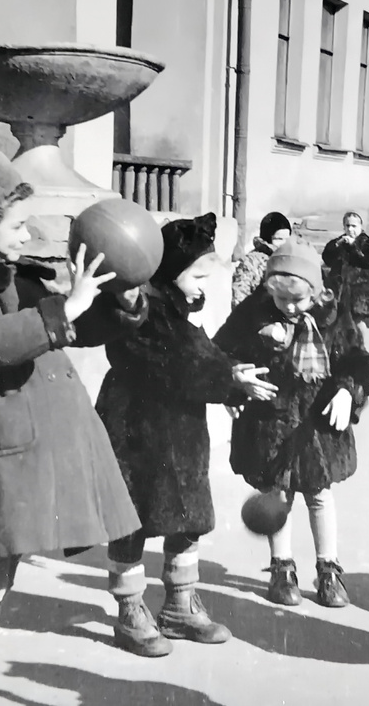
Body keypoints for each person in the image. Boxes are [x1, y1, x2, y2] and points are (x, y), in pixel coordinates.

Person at [0, 147, 146, 706]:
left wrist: (120, 300)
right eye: (16, 225)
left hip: (32, 447)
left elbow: (77, 327)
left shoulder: (12, 273)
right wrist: (63, 309)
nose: (27, 235)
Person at [97, 213, 279, 657]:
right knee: (133, 518)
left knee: (189, 515)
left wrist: (231, 371)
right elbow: (178, 364)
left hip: (181, 435)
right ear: (170, 272)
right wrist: (228, 381)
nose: (204, 285)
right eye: (198, 275)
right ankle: (130, 608)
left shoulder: (179, 312)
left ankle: (180, 604)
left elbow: (203, 353)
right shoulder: (141, 311)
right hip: (135, 432)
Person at [215, 240, 369, 609]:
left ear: (315, 291)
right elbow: (222, 351)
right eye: (281, 300)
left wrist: (349, 391)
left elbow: (357, 360)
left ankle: (329, 569)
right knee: (278, 494)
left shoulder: (333, 316)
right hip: (269, 419)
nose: (289, 308)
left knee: (319, 494)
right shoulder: (252, 313)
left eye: (298, 301)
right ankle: (282, 568)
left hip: (318, 425)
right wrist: (236, 382)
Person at [322, 210, 369, 332]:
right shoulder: (341, 241)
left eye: (354, 226)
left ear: (361, 226)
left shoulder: (366, 242)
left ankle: (361, 346)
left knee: (358, 321)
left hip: (359, 290)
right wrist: (336, 246)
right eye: (347, 225)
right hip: (339, 289)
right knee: (336, 320)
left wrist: (354, 247)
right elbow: (327, 258)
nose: (350, 229)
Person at [232, 211, 292, 307]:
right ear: (268, 238)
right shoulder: (251, 262)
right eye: (279, 239)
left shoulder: (291, 260)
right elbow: (240, 295)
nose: (283, 244)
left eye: (287, 239)